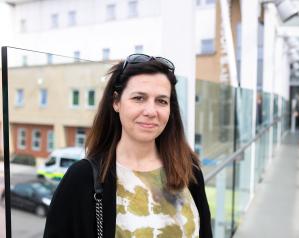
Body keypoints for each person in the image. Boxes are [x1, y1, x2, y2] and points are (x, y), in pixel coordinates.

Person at [43, 54, 212, 238]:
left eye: (162, 101)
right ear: (116, 101)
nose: (151, 111)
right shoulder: (82, 178)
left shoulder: (189, 170)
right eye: (139, 98)